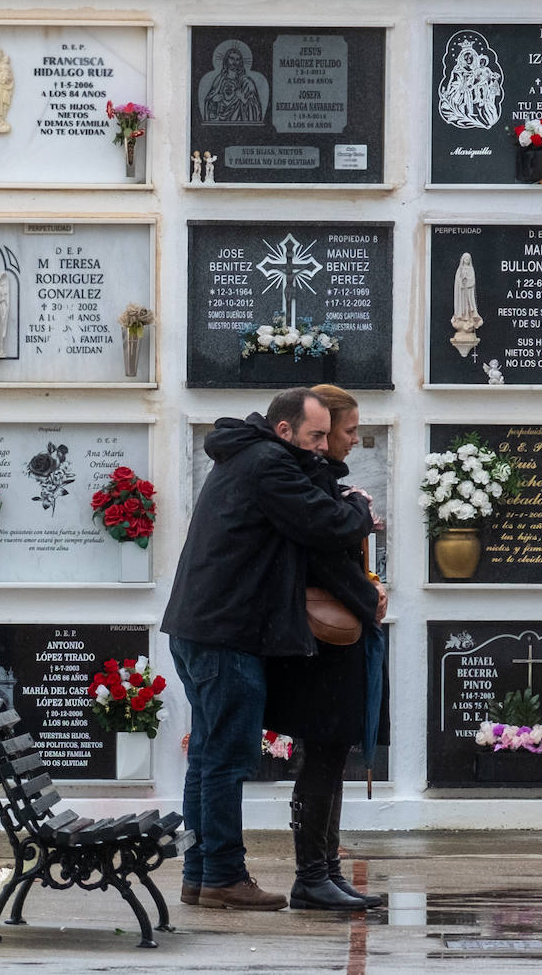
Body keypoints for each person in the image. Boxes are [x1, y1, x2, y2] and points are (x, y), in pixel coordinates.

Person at [163, 388, 373, 911]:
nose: (323, 448)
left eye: (329, 435)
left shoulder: (249, 456)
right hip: (226, 635)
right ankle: (225, 876)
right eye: (315, 436)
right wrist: (358, 508)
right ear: (285, 430)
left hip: (203, 629)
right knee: (227, 759)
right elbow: (322, 524)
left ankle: (201, 874)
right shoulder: (267, 464)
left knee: (209, 758)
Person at [264, 384, 388, 911]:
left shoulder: (322, 480)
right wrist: (368, 598)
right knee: (323, 757)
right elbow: (325, 561)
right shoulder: (312, 479)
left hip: (331, 644)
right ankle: (312, 876)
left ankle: (326, 871)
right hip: (322, 647)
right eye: (348, 431)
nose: (354, 441)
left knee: (331, 757)